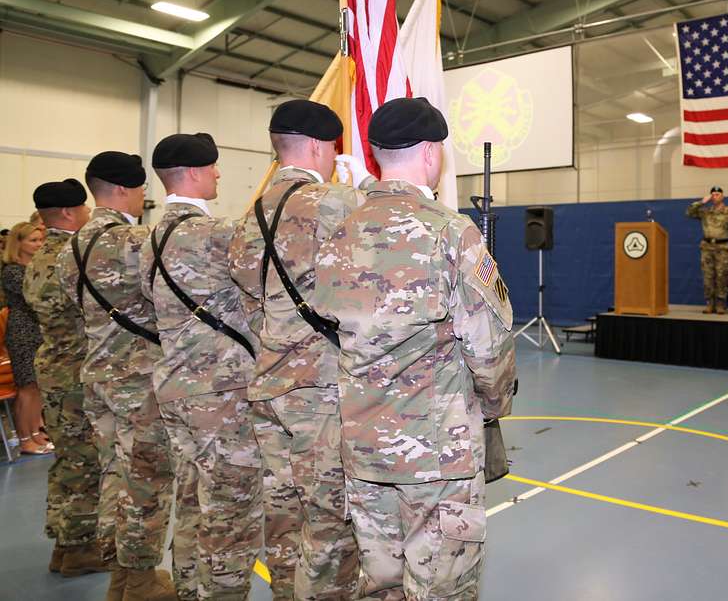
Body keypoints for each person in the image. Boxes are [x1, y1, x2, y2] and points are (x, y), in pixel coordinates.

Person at [311, 97, 517, 600]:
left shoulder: (340, 231)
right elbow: (489, 348)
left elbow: (328, 328)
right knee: (440, 586)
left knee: (380, 582)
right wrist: (492, 408)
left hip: (361, 443)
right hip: (437, 450)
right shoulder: (450, 231)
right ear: (430, 153)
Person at [229, 100, 368, 601]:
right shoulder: (335, 203)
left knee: (284, 511)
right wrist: (363, 190)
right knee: (330, 521)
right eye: (334, 147)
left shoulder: (250, 215)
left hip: (269, 382)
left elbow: (247, 297)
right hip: (322, 391)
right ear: (316, 145)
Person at [140, 133, 263, 601]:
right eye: (213, 167)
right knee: (231, 513)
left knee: (193, 499)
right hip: (220, 395)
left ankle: (189, 588)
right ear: (193, 172)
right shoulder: (214, 234)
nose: (218, 175)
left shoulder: (148, 237)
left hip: (175, 386)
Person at [56, 152, 178, 601]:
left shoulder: (71, 245)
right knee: (146, 482)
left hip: (98, 378)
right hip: (138, 381)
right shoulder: (134, 242)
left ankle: (122, 578)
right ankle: (141, 580)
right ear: (126, 189)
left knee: (114, 477)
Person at [24, 179, 106, 576]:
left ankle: (63, 542)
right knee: (85, 462)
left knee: (68, 459)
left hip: (54, 367)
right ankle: (80, 548)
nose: (89, 214)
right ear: (71, 213)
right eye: (86, 209)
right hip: (77, 370)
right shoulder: (72, 256)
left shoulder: (38, 257)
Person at [2, 221, 50, 455]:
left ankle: (35, 433)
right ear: (18, 243)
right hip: (23, 331)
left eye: (40, 239)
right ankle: (24, 438)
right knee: (26, 387)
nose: (39, 244)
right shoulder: (13, 271)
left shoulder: (35, 267)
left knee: (37, 385)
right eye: (33, 240)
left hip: (39, 329)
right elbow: (33, 299)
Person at [686, 186, 728, 314]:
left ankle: (720, 303)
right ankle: (710, 303)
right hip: (707, 248)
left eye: (718, 194)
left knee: (721, 276)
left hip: (723, 248)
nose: (715, 196)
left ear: (723, 196)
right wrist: (701, 202)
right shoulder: (705, 212)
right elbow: (689, 212)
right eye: (713, 194)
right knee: (708, 277)